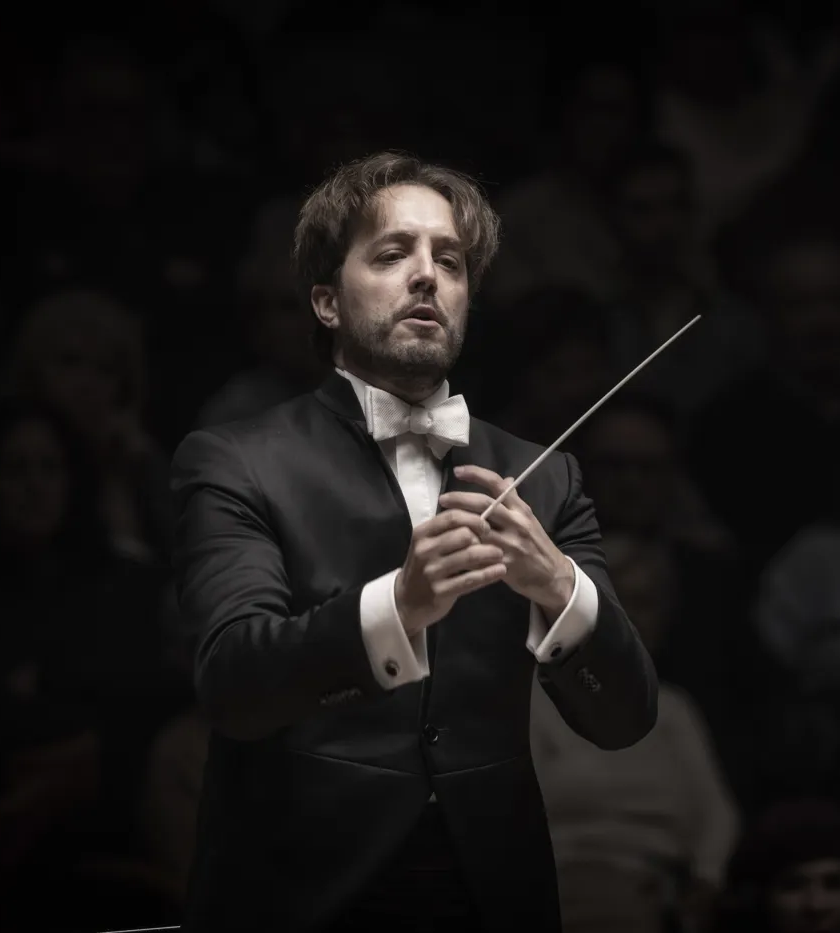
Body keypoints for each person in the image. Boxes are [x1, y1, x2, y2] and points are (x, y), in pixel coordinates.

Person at [170, 151, 659, 933]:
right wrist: (398, 605)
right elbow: (233, 685)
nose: (427, 276)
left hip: (491, 896)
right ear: (327, 301)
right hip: (300, 895)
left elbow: (624, 718)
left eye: (451, 262)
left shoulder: (547, 477)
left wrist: (558, 586)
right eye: (394, 253)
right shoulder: (237, 460)